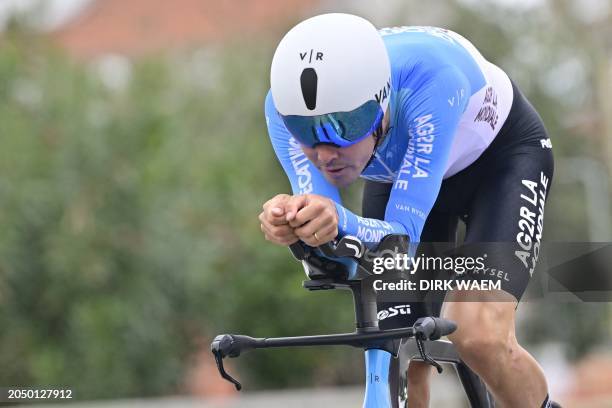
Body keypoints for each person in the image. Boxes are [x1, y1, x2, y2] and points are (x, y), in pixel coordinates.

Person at [260, 13, 556, 408]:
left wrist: (337, 219)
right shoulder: (280, 109)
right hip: (400, 176)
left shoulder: (431, 82)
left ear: (380, 104)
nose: (325, 154)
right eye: (306, 133)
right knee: (398, 345)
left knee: (478, 335)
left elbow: (400, 236)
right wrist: (296, 224)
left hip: (500, 162)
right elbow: (328, 238)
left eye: (344, 127)